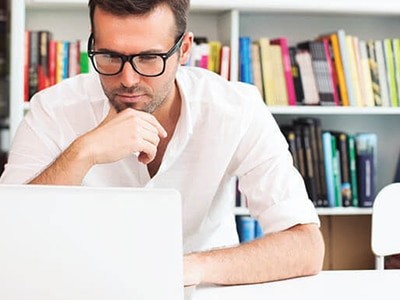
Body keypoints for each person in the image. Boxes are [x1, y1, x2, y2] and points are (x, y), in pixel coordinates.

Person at [0, 0, 324, 286]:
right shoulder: (52, 110)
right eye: (110, 56)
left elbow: (306, 247)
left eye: (150, 57)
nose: (128, 79)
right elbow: (8, 236)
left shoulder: (236, 109)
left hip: (203, 290)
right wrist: (82, 153)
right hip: (83, 290)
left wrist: (189, 267)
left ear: (184, 50)